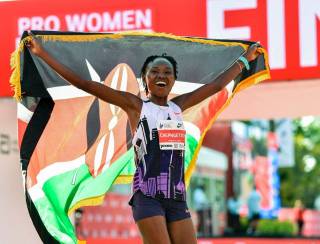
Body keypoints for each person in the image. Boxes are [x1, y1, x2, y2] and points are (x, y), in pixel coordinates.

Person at [26, 33, 260, 244]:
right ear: (145, 79)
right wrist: (43, 54)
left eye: (167, 72)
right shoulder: (136, 106)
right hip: (148, 198)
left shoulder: (179, 106)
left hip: (177, 200)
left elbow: (217, 84)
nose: (161, 75)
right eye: (155, 72)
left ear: (173, 80)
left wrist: (245, 59)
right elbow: (88, 85)